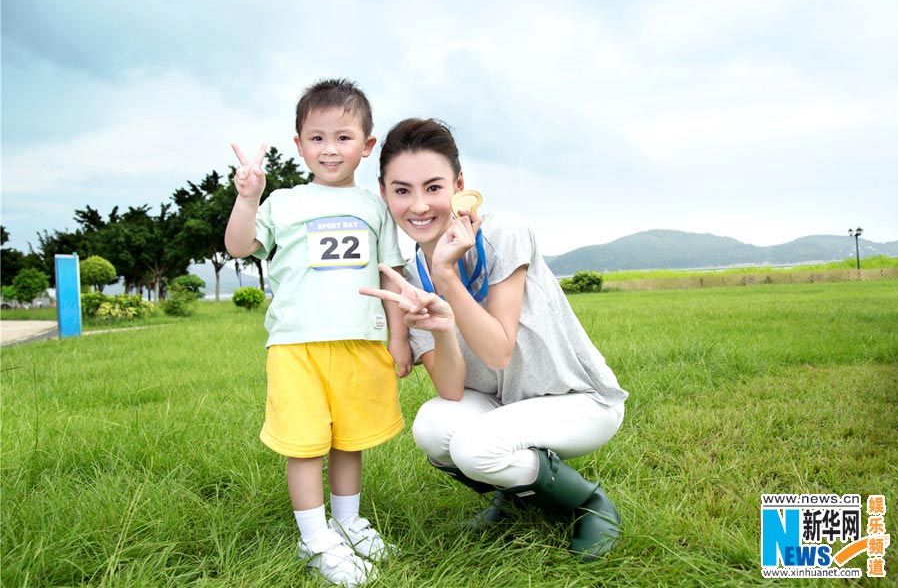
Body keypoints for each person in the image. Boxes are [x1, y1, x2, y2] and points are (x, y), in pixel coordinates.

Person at [361, 118, 628, 561]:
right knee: (432, 427)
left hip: (579, 402)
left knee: (474, 447)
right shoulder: (407, 276)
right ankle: (516, 497)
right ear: (384, 193)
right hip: (506, 407)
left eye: (433, 187)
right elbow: (450, 389)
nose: (420, 205)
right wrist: (441, 329)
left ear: (460, 184)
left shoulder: (504, 232)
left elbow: (498, 351)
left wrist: (447, 275)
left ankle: (589, 505)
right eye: (402, 190)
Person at [225, 79, 410, 587]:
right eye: (318, 137)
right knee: (304, 443)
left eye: (344, 137)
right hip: (296, 345)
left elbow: (388, 275)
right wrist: (248, 197)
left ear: (367, 146)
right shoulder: (281, 202)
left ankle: (348, 524)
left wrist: (398, 337)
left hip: (361, 342)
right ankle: (315, 538)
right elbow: (240, 246)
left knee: (350, 440)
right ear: (299, 143)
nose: (331, 149)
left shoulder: (376, 208)